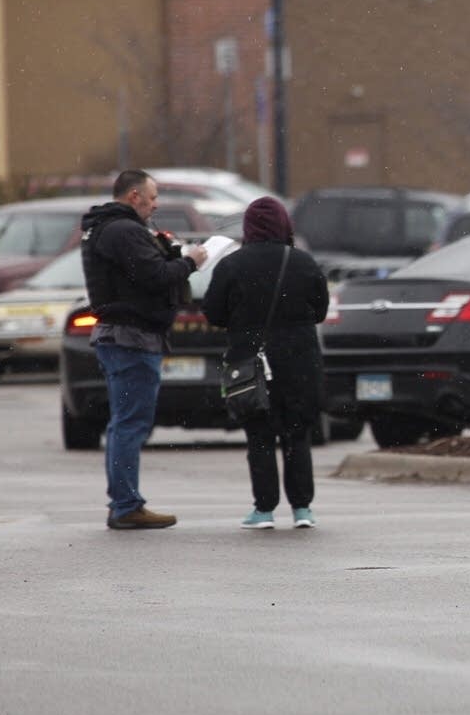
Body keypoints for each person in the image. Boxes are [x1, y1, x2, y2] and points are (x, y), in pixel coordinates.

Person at [80, 169, 207, 530]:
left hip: (123, 337)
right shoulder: (123, 230)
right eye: (152, 198)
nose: (156, 204)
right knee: (129, 425)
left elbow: (143, 272)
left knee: (125, 423)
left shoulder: (107, 228)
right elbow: (156, 277)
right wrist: (191, 262)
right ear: (134, 196)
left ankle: (124, 502)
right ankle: (125, 505)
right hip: (131, 339)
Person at [203, 197, 332, 530]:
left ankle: (264, 509)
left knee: (259, 435)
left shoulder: (232, 265)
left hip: (251, 361)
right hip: (299, 361)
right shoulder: (303, 263)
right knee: (297, 435)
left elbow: (214, 314)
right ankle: (302, 508)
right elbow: (319, 311)